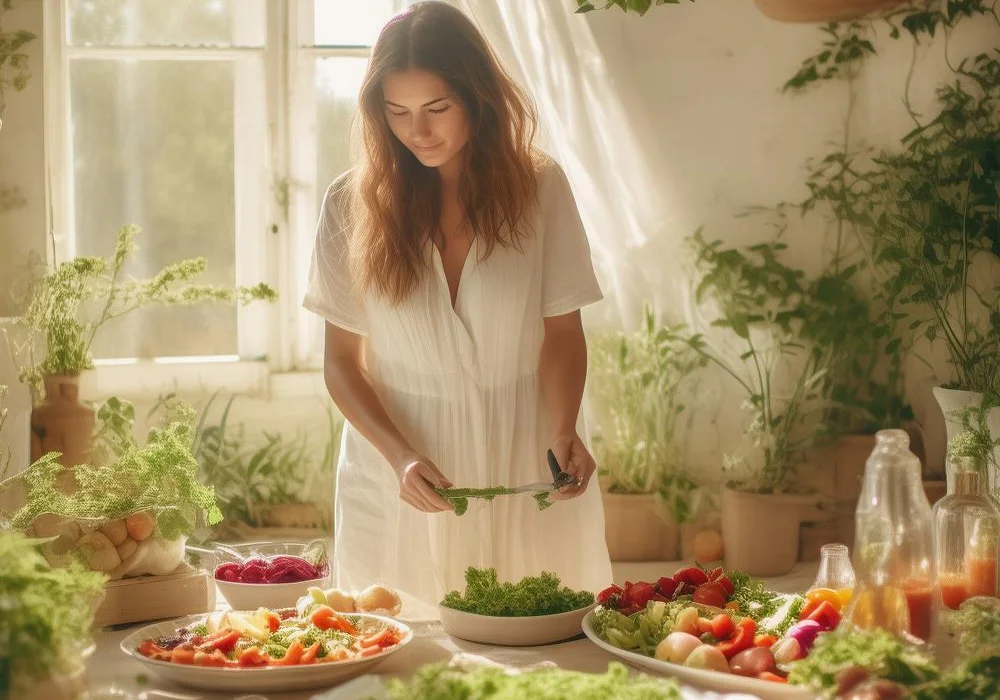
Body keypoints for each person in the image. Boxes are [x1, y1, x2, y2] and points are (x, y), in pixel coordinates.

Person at [303, 0, 613, 605]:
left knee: (539, 649)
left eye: (437, 108)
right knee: (396, 652)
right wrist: (399, 459)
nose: (418, 131)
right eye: (398, 111)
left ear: (478, 98)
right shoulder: (349, 205)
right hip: (400, 462)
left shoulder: (539, 188)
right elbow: (341, 363)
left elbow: (562, 332)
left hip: (523, 451)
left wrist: (563, 426)